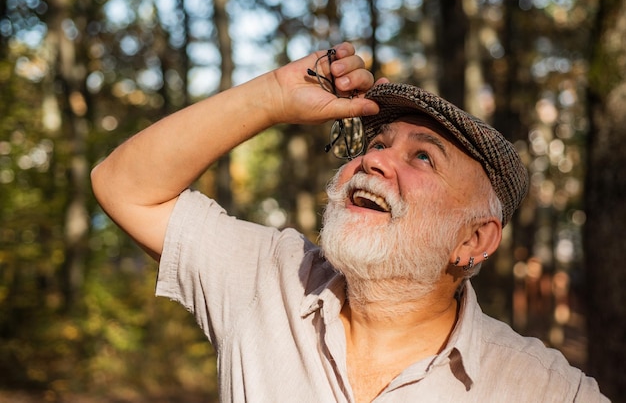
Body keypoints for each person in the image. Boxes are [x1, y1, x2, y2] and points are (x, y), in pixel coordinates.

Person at [91, 42, 608, 402]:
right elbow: (123, 188)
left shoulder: (544, 390)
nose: (374, 161)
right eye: (377, 144)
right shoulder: (268, 278)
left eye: (424, 158)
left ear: (474, 239)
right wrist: (271, 96)